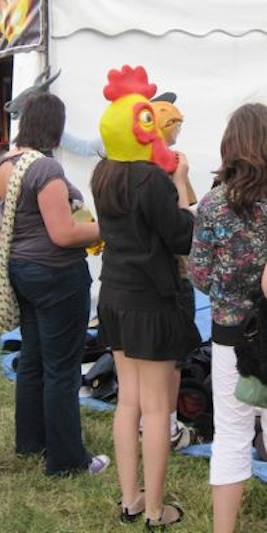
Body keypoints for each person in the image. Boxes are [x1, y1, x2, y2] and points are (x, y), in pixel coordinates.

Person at [91, 65, 199, 529]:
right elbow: (180, 236)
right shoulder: (151, 180)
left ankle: (130, 500)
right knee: (156, 408)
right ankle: (155, 511)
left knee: (129, 403)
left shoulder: (103, 174)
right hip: (151, 302)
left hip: (114, 296)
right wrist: (178, 180)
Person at [0, 92, 110, 476]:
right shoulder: (45, 170)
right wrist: (110, 227)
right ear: (54, 126)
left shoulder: (4, 165)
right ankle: (67, 461)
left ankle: (31, 441)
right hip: (57, 275)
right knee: (62, 368)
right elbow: (63, 233)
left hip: (23, 271)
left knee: (34, 358)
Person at [187, 102, 267, 533]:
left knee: (232, 436)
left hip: (230, 333)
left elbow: (198, 273)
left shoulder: (215, 204)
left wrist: (229, 289)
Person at [152, 95, 199, 449]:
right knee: (173, 357)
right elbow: (186, 227)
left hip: (137, 281)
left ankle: (152, 422)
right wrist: (181, 181)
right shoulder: (170, 169)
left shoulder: (126, 169)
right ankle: (166, 427)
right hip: (172, 274)